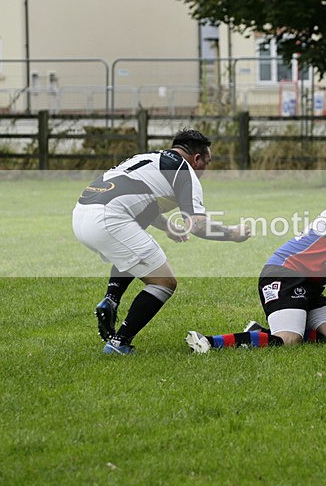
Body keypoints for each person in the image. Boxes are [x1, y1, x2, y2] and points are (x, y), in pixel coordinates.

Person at [185, 166, 326, 353]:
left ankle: (260, 332)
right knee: (288, 340)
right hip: (285, 273)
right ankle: (209, 343)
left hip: (310, 286)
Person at [72, 129, 250, 354]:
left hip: (80, 215)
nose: (205, 170)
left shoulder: (146, 158)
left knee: (133, 247)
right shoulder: (185, 171)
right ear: (196, 159)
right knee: (164, 282)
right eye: (207, 162)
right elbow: (198, 225)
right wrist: (232, 234)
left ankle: (111, 299)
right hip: (108, 220)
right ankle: (119, 342)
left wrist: (167, 226)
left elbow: (142, 202)